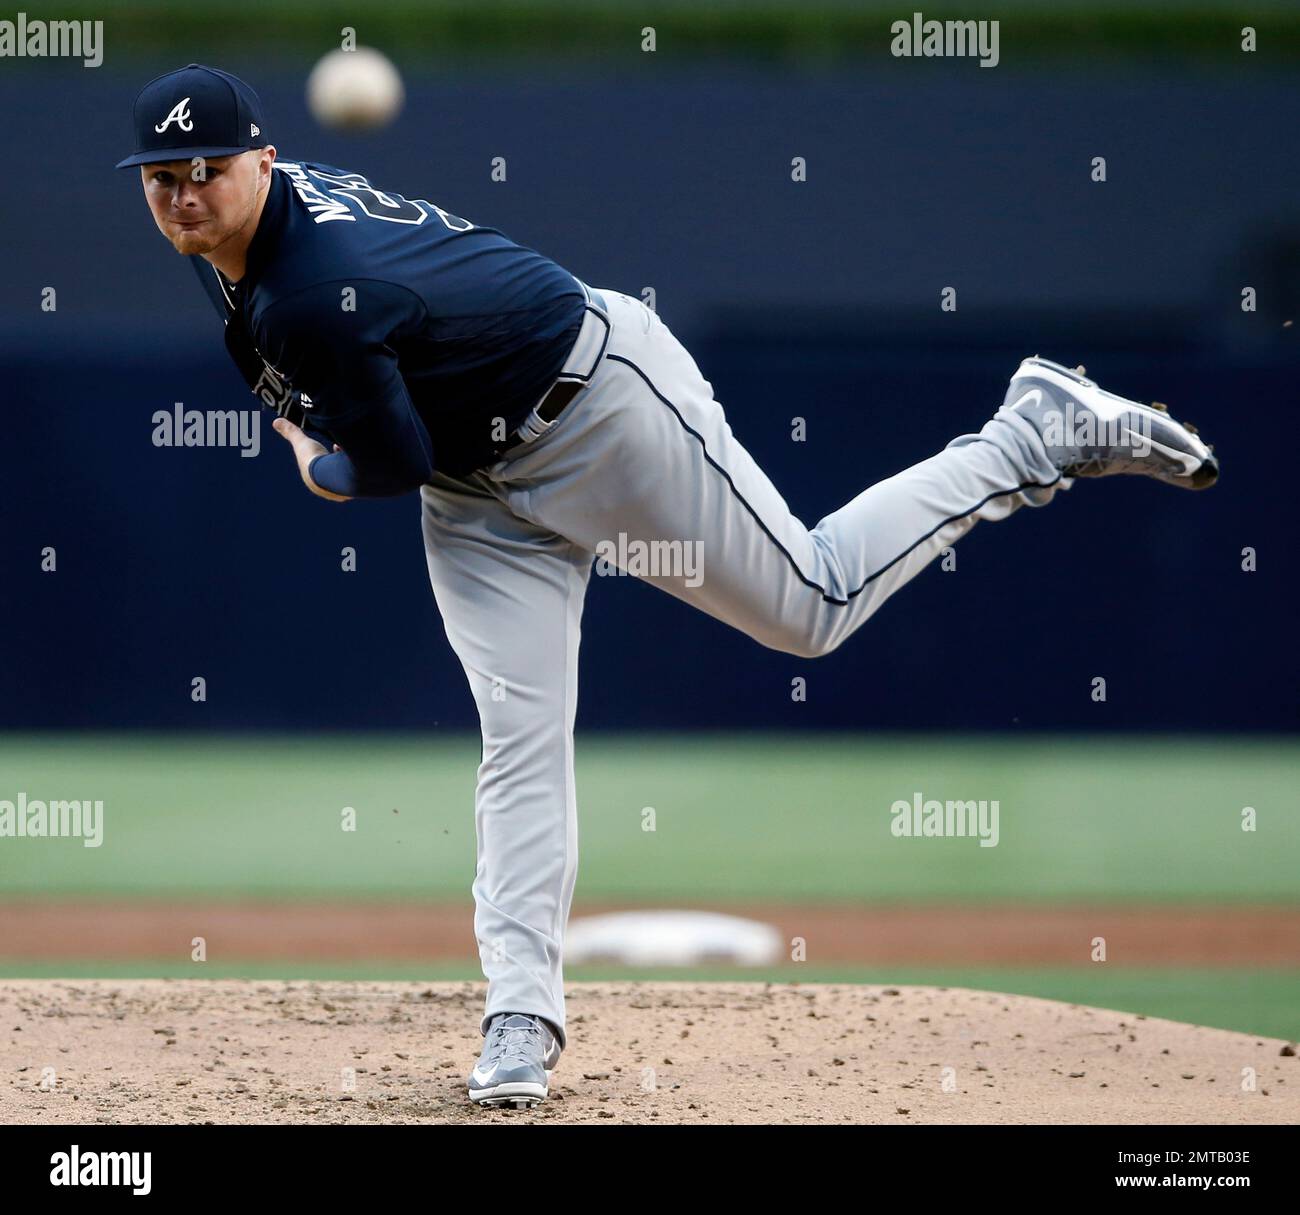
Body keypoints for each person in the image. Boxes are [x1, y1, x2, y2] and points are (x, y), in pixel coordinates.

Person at [118, 64, 1218, 1111]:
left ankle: (1029, 435)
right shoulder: (252, 250)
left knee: (813, 606)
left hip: (596, 408)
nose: (184, 195)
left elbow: (383, 460)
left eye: (208, 169)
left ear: (263, 159)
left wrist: (316, 465)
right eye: (164, 181)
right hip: (479, 489)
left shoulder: (311, 288)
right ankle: (520, 1016)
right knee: (520, 736)